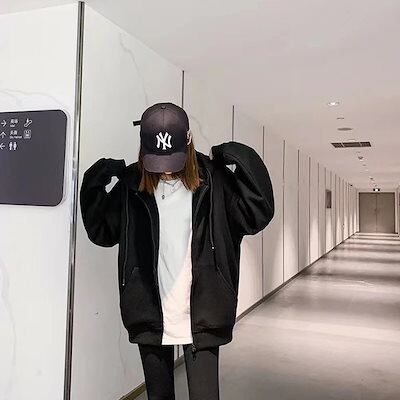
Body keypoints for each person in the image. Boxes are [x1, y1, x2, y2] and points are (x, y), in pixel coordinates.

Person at [79, 102, 274, 400]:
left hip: (203, 312)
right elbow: (102, 232)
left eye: (173, 157)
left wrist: (235, 154)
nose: (166, 168)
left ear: (189, 139)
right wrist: (97, 178)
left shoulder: (214, 180)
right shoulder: (133, 184)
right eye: (156, 159)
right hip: (149, 311)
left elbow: (256, 214)